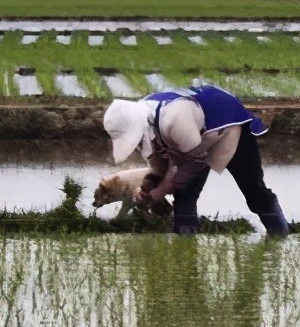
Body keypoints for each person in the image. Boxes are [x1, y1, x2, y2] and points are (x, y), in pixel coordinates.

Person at [102, 83, 289, 235]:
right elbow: (159, 163)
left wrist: (164, 189)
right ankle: (185, 246)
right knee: (184, 194)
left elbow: (195, 161)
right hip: (194, 137)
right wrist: (149, 186)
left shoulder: (173, 119)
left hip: (227, 123)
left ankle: (279, 233)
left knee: (253, 189)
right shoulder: (144, 118)